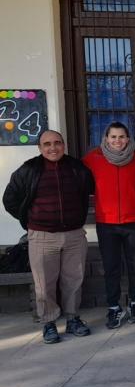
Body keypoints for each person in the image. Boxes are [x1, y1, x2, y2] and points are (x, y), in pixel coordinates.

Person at [3, 130, 94, 344]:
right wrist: (30, 218)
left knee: (74, 279)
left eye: (57, 143)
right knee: (44, 283)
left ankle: (73, 319)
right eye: (47, 144)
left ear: (64, 145)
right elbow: (10, 199)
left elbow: (87, 192)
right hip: (42, 236)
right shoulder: (29, 169)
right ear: (40, 148)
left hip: (73, 235)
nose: (53, 148)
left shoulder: (76, 167)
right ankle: (49, 323)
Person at [83, 122, 135, 329]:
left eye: (122, 137)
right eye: (113, 137)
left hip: (133, 221)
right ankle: (113, 306)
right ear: (106, 138)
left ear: (128, 139)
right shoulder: (92, 159)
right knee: (111, 267)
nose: (118, 141)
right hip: (106, 222)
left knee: (134, 265)